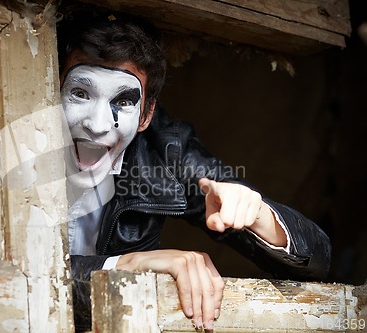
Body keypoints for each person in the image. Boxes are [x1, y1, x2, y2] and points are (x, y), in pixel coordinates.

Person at [56, 9, 331, 332]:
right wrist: (124, 265)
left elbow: (317, 260)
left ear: (146, 116)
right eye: (80, 93)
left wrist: (258, 215)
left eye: (124, 102)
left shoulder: (166, 149)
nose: (98, 125)